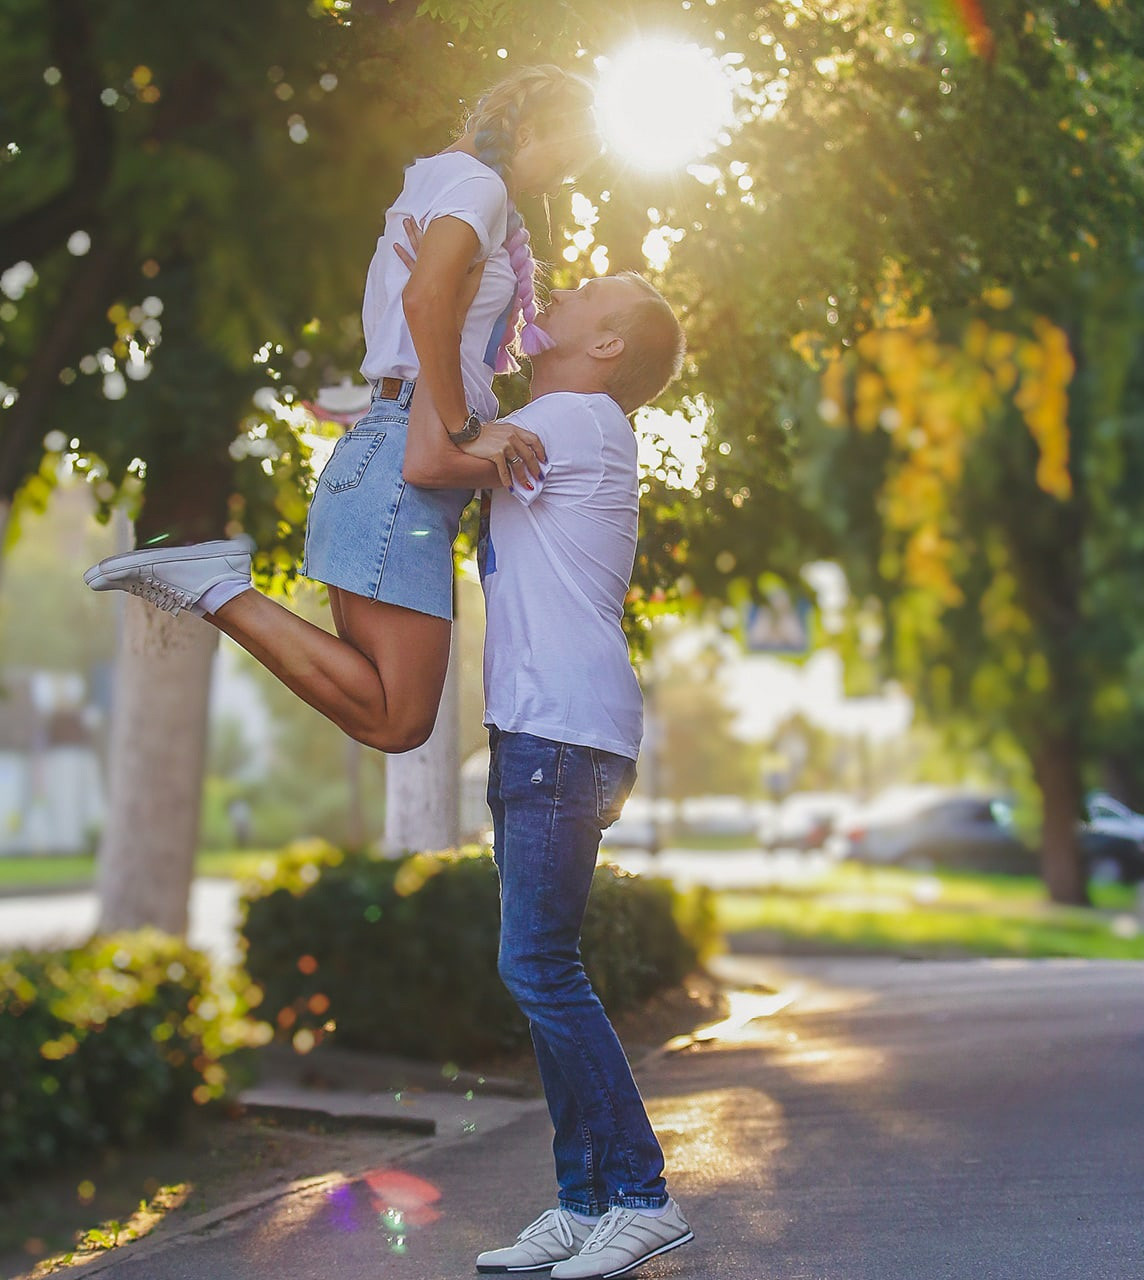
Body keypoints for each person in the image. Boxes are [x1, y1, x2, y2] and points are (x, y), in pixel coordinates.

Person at [84, 66, 600, 754]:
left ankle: (207, 584)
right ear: (533, 129)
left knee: (388, 712)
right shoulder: (480, 185)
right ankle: (208, 583)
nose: (550, 185)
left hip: (382, 454)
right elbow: (424, 304)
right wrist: (467, 427)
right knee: (399, 719)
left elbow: (412, 316)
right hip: (398, 468)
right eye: (559, 163)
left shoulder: (439, 178)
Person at [402, 271, 692, 1279]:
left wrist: (425, 318)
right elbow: (458, 422)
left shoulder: (574, 415)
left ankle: (640, 1193)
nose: (559, 291)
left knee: (537, 965)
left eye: (587, 293)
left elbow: (430, 454)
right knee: (541, 965)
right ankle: (582, 1198)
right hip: (551, 725)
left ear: (606, 346)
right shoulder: (567, 418)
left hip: (559, 729)